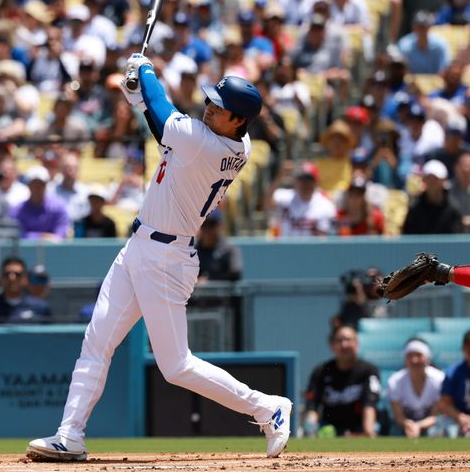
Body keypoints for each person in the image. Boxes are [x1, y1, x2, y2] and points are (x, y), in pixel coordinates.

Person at [27, 57, 292, 461]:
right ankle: (70, 435)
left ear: (238, 121)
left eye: (219, 108)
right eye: (211, 101)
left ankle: (267, 407)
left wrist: (145, 71)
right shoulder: (233, 142)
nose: (209, 108)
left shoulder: (203, 142)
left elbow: (167, 118)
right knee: (97, 340)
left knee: (176, 366)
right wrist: (141, 103)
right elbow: (166, 131)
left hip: (166, 256)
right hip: (142, 247)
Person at [304, 325, 380, 438]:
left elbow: (369, 404)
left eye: (348, 340)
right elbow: (312, 406)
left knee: (375, 427)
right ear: (332, 346)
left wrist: (368, 432)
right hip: (329, 428)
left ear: (357, 344)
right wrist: (310, 430)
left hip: (360, 427)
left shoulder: (369, 370)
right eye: (339, 341)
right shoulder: (321, 371)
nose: (344, 345)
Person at [387, 338, 444, 438]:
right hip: (404, 426)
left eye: (419, 355)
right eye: (410, 356)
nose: (414, 360)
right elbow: (398, 416)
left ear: (427, 357)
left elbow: (435, 416)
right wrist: (408, 425)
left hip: (430, 426)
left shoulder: (439, 379)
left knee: (435, 432)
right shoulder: (395, 382)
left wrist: (418, 426)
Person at [0, 258, 51, 324]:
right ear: (0, 279)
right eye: (7, 274)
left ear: (25, 279)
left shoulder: (40, 307)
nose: (12, 278)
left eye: (17, 274)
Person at [195, 210, 242, 282]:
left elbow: (236, 273)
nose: (207, 228)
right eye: (204, 224)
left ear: (220, 225)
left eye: (211, 224)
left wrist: (209, 280)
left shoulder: (229, 248)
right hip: (199, 293)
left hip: (225, 293)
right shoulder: (194, 249)